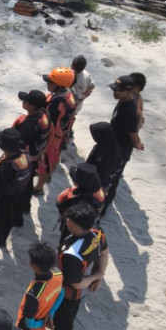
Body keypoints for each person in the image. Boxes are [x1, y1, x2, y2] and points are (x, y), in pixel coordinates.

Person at [48, 202, 109, 330]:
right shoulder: (97, 232)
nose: (66, 221)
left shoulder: (72, 255)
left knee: (63, 322)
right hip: (84, 283)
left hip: (70, 293)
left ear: (77, 226)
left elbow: (76, 284)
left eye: (69, 221)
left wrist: (96, 277)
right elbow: (104, 252)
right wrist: (100, 273)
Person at [0, 128, 31, 265]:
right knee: (10, 219)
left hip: (4, 199)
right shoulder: (24, 156)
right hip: (18, 195)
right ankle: (7, 235)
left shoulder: (5, 168)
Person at [32, 66, 76, 195]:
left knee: (44, 163)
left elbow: (50, 125)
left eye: (50, 82)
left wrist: (43, 142)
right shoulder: (68, 95)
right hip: (60, 135)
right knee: (54, 158)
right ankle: (49, 174)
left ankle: (38, 188)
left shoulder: (57, 105)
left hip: (52, 138)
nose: (47, 83)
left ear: (59, 86)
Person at [104, 74, 144, 213]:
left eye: (118, 90)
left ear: (129, 91)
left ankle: (103, 206)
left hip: (121, 148)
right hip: (113, 142)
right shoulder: (124, 99)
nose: (115, 93)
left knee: (112, 178)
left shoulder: (130, 110)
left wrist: (138, 143)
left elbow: (132, 132)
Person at [13, 89, 49, 219]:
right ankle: (26, 205)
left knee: (22, 183)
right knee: (28, 181)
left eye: (26, 101)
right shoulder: (44, 114)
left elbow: (19, 146)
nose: (23, 101)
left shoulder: (29, 126)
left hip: (27, 159)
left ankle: (21, 208)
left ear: (30, 105)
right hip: (37, 154)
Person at [55, 162, 106, 244]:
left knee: (65, 241)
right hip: (87, 226)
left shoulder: (76, 198)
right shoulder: (98, 194)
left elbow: (60, 203)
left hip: (73, 225)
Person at [86, 121, 121, 197]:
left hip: (96, 184)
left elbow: (104, 172)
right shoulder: (110, 143)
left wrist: (103, 188)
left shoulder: (106, 153)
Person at [67, 54, 95, 146]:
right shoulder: (86, 74)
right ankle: (69, 131)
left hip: (73, 103)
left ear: (72, 65)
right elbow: (92, 86)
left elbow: (74, 95)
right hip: (78, 103)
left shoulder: (76, 80)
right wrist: (85, 95)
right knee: (72, 117)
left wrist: (81, 98)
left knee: (68, 119)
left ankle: (67, 134)